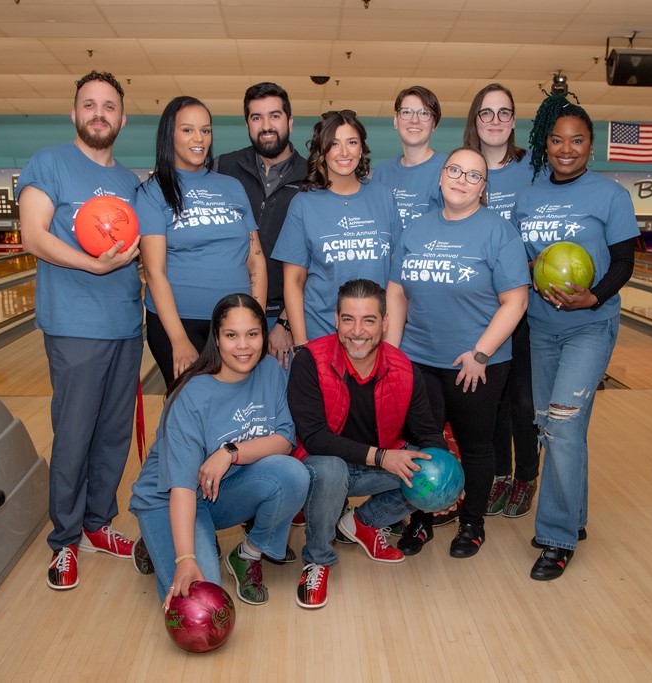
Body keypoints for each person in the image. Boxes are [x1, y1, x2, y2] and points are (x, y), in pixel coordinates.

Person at [17, 70, 143, 591]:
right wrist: (92, 266)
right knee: (74, 433)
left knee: (113, 433)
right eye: (89, 105)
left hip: (125, 324)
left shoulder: (131, 181)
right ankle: (65, 540)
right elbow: (32, 235)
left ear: (121, 117)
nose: (98, 113)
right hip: (73, 325)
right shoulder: (49, 163)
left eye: (108, 106)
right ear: (74, 114)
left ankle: (97, 523)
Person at [514, 93, 639, 580]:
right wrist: (532, 268)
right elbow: (519, 257)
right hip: (541, 329)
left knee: (563, 427)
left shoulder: (610, 195)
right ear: (546, 143)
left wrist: (596, 297)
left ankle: (556, 537)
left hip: (590, 326)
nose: (567, 149)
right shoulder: (529, 194)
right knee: (554, 427)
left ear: (591, 145)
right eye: (558, 139)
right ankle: (576, 518)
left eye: (578, 140)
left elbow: (625, 260)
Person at [386, 148, 529, 558]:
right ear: (441, 176)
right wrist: (394, 353)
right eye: (454, 170)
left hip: (476, 366)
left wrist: (480, 354)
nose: (461, 180)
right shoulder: (415, 228)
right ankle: (422, 520)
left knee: (476, 446)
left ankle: (472, 522)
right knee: (421, 447)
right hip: (418, 361)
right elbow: (396, 290)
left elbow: (515, 302)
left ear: (484, 187)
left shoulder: (498, 232)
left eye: (473, 175)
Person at [129, 294, 309, 607]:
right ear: (216, 338)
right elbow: (183, 488)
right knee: (199, 601)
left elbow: (284, 440)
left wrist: (230, 452)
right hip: (171, 496)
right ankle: (160, 538)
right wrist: (186, 559)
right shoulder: (190, 395)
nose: (243, 346)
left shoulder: (270, 370)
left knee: (293, 474)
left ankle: (247, 555)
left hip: (220, 490)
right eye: (231, 335)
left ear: (263, 335)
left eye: (252, 334)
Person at [287, 279, 446, 609]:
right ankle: (317, 559)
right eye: (348, 319)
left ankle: (362, 522)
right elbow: (314, 437)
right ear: (336, 320)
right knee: (331, 469)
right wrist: (381, 456)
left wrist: (446, 481)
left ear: (385, 323)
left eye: (368, 320)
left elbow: (429, 435)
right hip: (320, 466)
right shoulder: (309, 361)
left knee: (429, 470)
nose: (357, 331)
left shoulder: (405, 370)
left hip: (376, 465)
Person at [136, 95, 268, 386]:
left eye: (205, 130)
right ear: (169, 134)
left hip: (234, 323)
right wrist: (179, 340)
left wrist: (254, 320)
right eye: (187, 130)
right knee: (191, 413)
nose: (199, 138)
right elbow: (155, 272)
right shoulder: (153, 192)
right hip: (180, 323)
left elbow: (255, 257)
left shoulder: (231, 187)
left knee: (235, 412)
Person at [463, 83, 540, 519]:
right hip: (479, 306)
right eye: (486, 113)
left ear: (513, 121)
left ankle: (526, 476)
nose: (494, 120)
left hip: (524, 306)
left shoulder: (533, 170)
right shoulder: (466, 168)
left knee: (522, 402)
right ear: (475, 120)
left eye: (503, 112)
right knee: (489, 402)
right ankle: (499, 476)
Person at [272, 110, 400, 348]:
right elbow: (293, 281)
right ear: (322, 151)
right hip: (320, 332)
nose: (344, 152)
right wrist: (301, 343)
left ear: (361, 148)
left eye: (351, 142)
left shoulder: (383, 196)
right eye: (334, 144)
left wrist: (390, 341)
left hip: (374, 336)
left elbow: (396, 278)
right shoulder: (304, 203)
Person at [214, 82, 309, 368]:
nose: (266, 125)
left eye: (275, 116)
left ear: (290, 122)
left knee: (283, 407)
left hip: (286, 316)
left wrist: (287, 323)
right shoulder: (222, 169)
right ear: (247, 124)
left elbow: (317, 256)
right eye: (257, 117)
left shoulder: (313, 177)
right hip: (229, 314)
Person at [372, 85, 446, 229]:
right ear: (396, 119)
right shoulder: (383, 171)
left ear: (434, 124)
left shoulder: (448, 168)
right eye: (406, 112)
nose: (414, 120)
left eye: (424, 113)